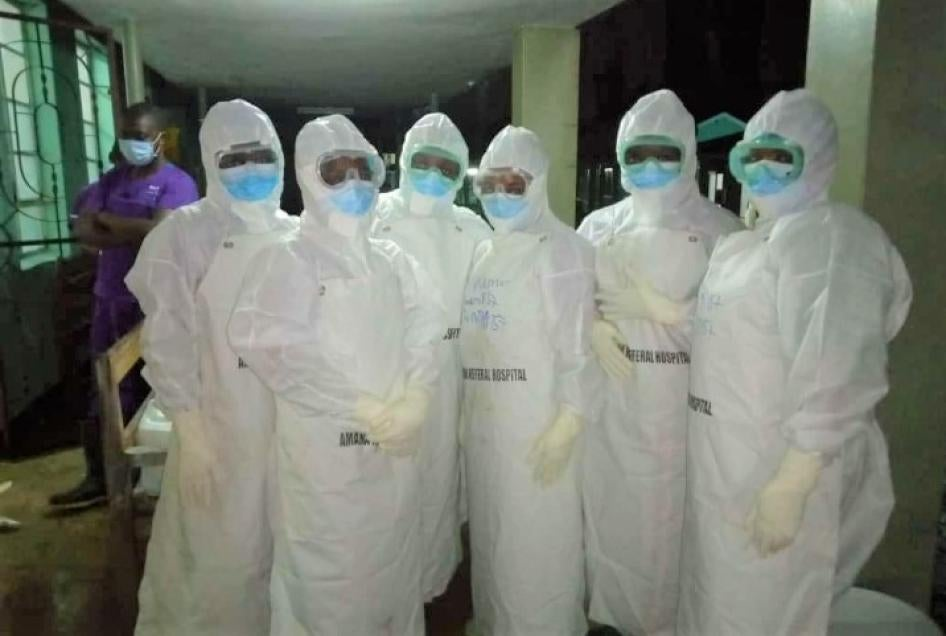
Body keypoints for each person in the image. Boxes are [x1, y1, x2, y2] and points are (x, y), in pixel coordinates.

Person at [676, 89, 912, 635]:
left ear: (818, 159)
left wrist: (794, 479)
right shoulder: (748, 244)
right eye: (751, 157)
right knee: (716, 605)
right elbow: (725, 334)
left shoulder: (832, 238)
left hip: (777, 467)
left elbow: (838, 361)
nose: (761, 171)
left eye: (780, 157)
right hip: (724, 467)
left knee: (765, 610)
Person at [228, 114, 443, 635]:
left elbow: (427, 327)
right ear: (308, 176)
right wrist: (359, 407)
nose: (353, 182)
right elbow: (275, 349)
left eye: (362, 169)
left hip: (394, 453)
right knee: (331, 591)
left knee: (393, 575)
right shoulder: (288, 260)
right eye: (335, 171)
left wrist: (417, 395)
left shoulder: (392, 260)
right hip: (325, 464)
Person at [126, 99, 296, 635]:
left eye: (261, 155)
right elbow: (168, 339)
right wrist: (192, 431)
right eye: (233, 159)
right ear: (209, 163)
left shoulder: (298, 232)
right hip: (220, 425)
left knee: (286, 550)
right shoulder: (182, 234)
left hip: (291, 426)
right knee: (220, 558)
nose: (250, 169)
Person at [578, 89, 742, 636]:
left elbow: (745, 330)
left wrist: (671, 312)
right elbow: (565, 303)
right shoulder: (597, 227)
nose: (650, 166)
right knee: (612, 514)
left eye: (664, 154)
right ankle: (614, 618)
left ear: (688, 154)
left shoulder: (723, 232)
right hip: (612, 405)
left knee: (673, 528)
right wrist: (592, 326)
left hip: (683, 410)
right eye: (637, 154)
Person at [461, 125, 595, 636]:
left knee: (537, 552)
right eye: (489, 183)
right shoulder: (486, 251)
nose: (499, 194)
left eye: (513, 184)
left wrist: (569, 420)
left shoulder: (562, 249)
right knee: (494, 545)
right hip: (489, 430)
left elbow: (578, 347)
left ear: (537, 183)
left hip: (539, 430)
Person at [51, 102, 198, 509]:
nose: (131, 143)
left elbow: (164, 234)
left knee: (160, 391)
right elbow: (84, 229)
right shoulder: (111, 180)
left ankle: (161, 482)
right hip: (110, 299)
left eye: (140, 136)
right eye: (126, 135)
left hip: (158, 302)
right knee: (106, 390)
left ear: (160, 139)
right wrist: (137, 229)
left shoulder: (177, 183)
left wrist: (111, 222)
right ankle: (102, 479)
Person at [371, 112, 491, 601]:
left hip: (449, 374)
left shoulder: (471, 227)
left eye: (447, 167)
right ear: (405, 159)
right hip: (384, 370)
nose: (434, 174)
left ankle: (432, 583)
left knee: (439, 476)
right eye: (424, 162)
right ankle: (383, 588)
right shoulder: (372, 213)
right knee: (385, 478)